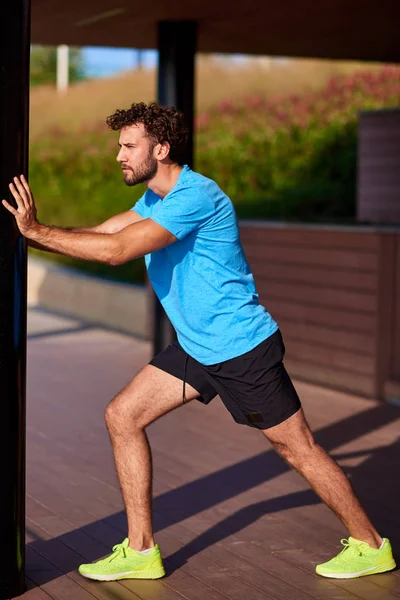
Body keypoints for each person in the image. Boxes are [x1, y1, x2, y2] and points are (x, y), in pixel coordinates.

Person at [3, 102, 395, 582]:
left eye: (129, 146)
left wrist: (37, 232)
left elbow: (117, 251)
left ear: (161, 149)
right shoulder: (155, 202)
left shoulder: (196, 196)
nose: (119, 155)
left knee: (297, 448)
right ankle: (142, 550)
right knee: (123, 415)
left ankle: (370, 545)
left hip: (241, 348)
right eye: (119, 146)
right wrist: (27, 234)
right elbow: (103, 232)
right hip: (197, 348)